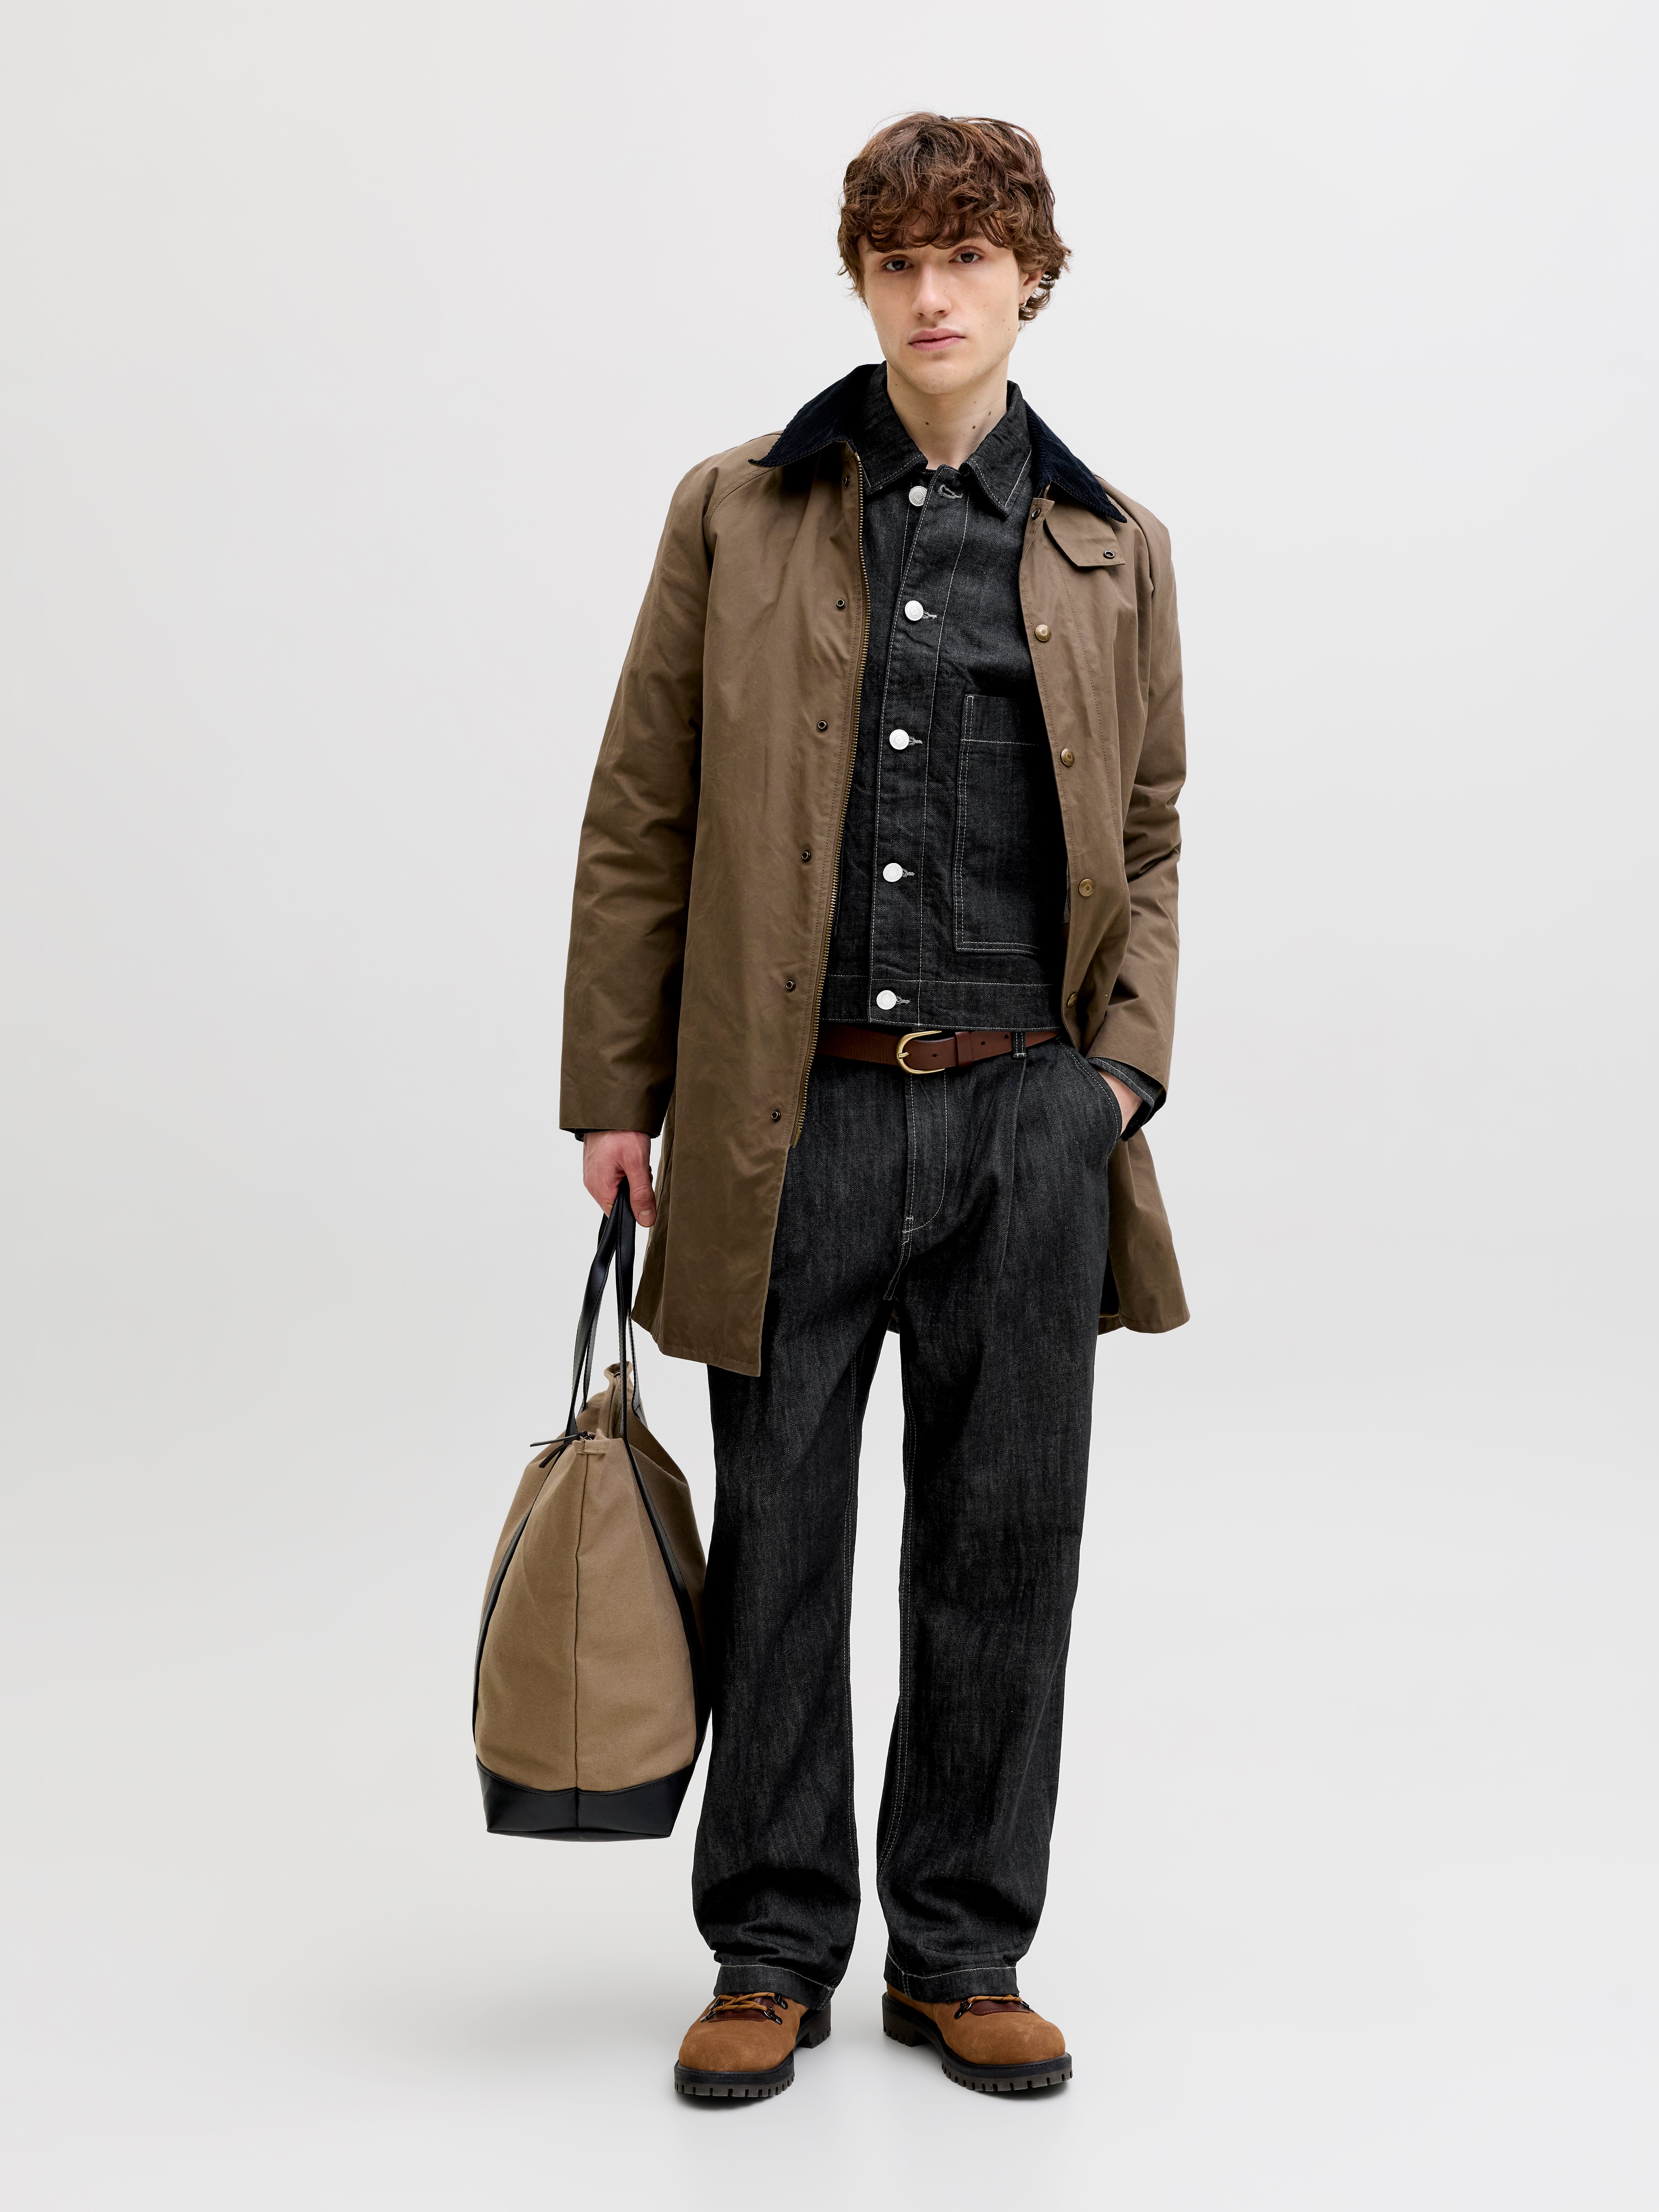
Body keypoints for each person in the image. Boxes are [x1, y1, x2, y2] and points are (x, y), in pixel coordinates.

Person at [560, 112, 1188, 2100]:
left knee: (1005, 1548)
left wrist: (1119, 1081)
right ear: (862, 281)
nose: (932, 295)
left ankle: (963, 1949)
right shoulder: (736, 510)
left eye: (968, 259)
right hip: (792, 1121)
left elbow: (1151, 828)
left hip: (1029, 1120)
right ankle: (769, 1950)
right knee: (782, 1545)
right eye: (899, 261)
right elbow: (643, 805)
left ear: (1030, 279)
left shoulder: (1112, 544)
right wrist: (615, 1090)